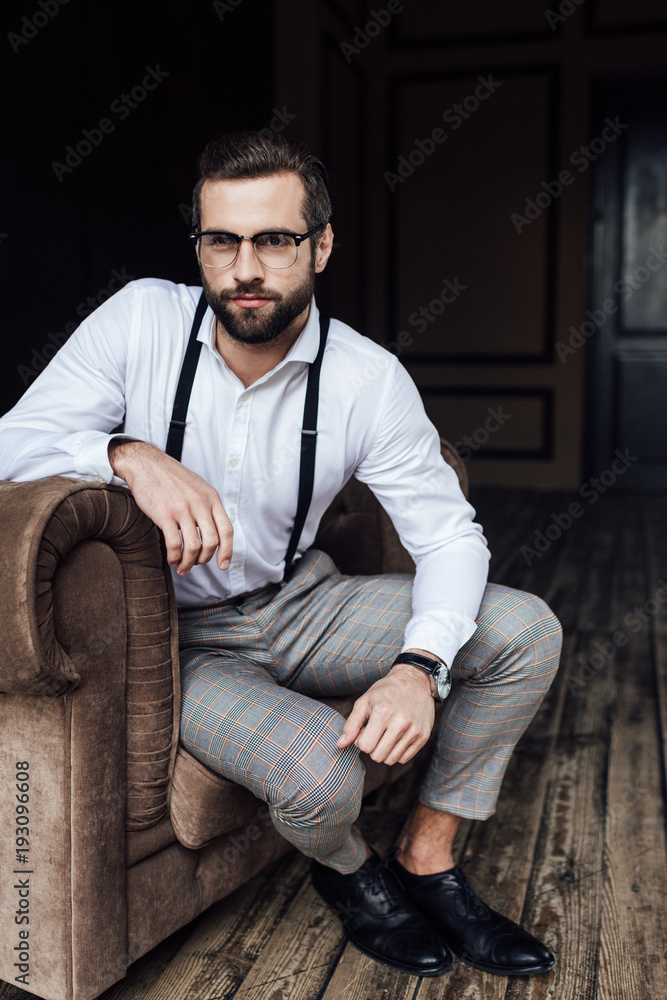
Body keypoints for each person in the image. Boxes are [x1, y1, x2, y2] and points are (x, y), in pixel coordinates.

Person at [0, 129, 562, 979]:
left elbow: (448, 534)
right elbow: (13, 444)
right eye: (220, 241)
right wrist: (125, 455)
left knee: (525, 631)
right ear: (199, 246)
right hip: (178, 642)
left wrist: (418, 664)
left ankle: (426, 858)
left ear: (321, 245)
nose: (245, 267)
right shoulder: (141, 318)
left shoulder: (365, 380)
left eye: (274, 239)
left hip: (301, 603)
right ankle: (347, 871)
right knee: (321, 783)